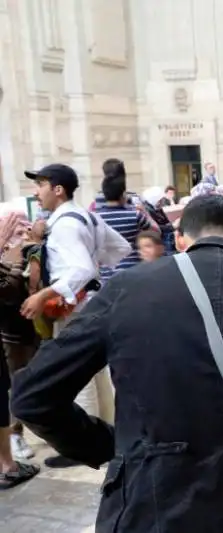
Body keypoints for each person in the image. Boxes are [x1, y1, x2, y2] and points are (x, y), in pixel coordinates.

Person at [11, 194, 223, 532]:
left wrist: (113, 447)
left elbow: (32, 397)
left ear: (180, 240)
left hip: (156, 504)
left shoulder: (125, 290)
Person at [19, 163, 131, 469]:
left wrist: (44, 294)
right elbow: (119, 249)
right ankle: (107, 434)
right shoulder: (85, 215)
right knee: (97, 374)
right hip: (93, 301)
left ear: (58, 189)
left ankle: (81, 448)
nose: (36, 192)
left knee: (75, 375)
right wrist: (92, 267)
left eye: (40, 185)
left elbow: (81, 269)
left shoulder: (65, 225)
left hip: (75, 307)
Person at [0, 213, 40, 489]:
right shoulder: (12, 255)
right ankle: (9, 460)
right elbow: (8, 293)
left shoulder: (29, 250)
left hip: (32, 331)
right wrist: (12, 262)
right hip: (12, 335)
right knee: (11, 391)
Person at [94, 159, 158, 282]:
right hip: (134, 270)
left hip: (107, 274)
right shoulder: (135, 214)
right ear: (123, 193)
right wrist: (144, 212)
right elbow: (155, 232)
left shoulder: (95, 217)